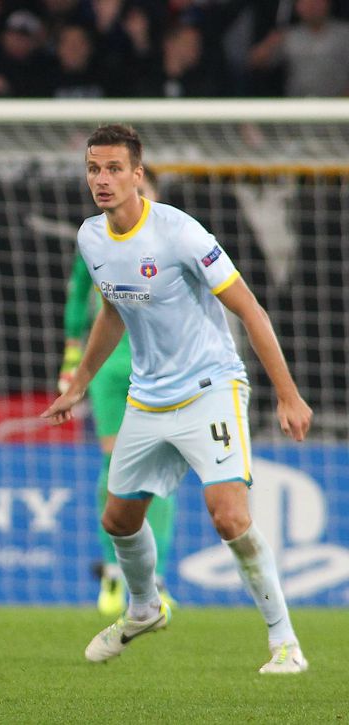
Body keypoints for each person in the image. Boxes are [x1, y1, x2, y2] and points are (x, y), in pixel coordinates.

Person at [42, 124, 312, 674]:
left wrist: (288, 395)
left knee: (229, 517)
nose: (102, 179)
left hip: (211, 388)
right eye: (94, 169)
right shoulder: (91, 238)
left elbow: (251, 310)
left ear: (137, 175)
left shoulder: (181, 233)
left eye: (114, 168)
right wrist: (80, 381)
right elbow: (112, 310)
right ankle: (145, 608)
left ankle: (285, 642)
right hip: (149, 396)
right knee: (118, 519)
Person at [57, 166, 176, 618]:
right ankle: (112, 571)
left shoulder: (176, 241)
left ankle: (155, 577)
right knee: (115, 466)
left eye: (145, 191)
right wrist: (71, 363)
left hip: (161, 368)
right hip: (110, 366)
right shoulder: (96, 239)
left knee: (160, 470)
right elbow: (78, 298)